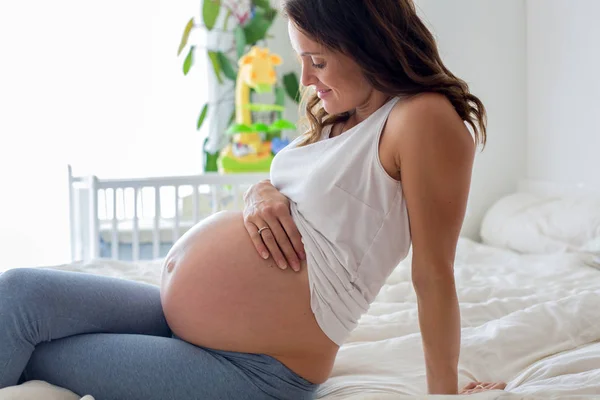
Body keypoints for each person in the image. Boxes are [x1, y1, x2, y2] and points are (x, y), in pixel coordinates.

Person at [0, 0, 507, 398]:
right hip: (186, 319)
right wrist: (258, 192)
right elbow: (304, 195)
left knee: (45, 351)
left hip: (257, 369)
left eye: (318, 61)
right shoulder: (340, 115)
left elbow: (434, 271)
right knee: (18, 292)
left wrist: (445, 392)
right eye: (302, 60)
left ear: (367, 45)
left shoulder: (421, 118)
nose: (306, 79)